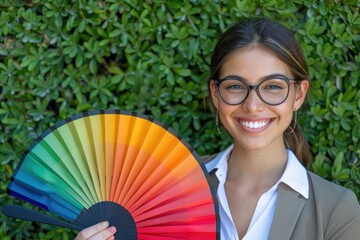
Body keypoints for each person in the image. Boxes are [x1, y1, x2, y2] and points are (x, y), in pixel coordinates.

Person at [75, 18, 360, 240]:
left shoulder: (336, 209)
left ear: (298, 95)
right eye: (235, 86)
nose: (253, 105)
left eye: (273, 87)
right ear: (215, 93)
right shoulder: (166, 190)